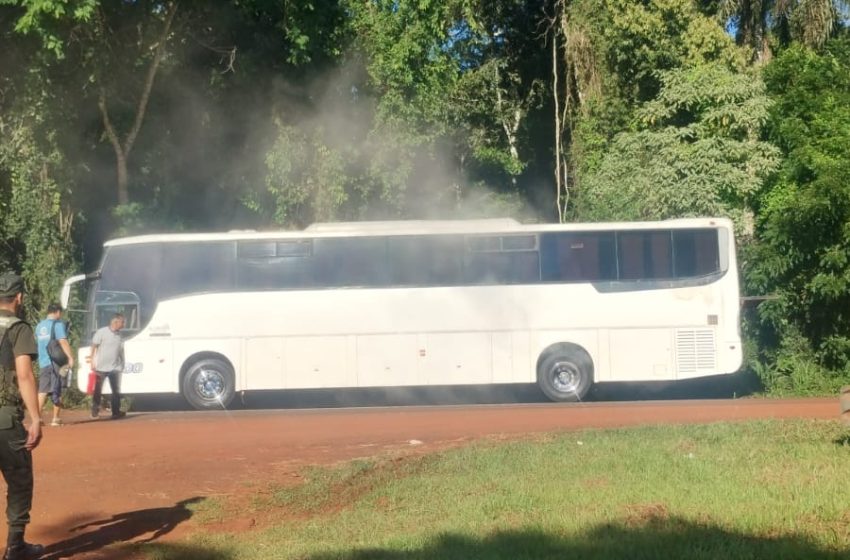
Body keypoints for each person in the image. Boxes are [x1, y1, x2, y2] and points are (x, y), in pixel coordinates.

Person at [0, 273, 44, 560]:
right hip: (5, 419)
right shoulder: (18, 328)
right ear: (19, 298)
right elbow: (25, 375)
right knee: (19, 480)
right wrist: (36, 418)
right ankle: (15, 548)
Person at [35, 304, 74, 427]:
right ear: (57, 312)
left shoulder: (39, 326)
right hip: (55, 362)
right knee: (57, 388)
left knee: (42, 390)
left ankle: (38, 418)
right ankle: (55, 418)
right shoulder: (57, 325)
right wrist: (70, 357)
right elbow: (63, 341)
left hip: (43, 361)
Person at [89, 313, 126, 420]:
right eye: (122, 322)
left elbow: (121, 350)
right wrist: (92, 360)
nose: (123, 324)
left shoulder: (119, 335)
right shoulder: (102, 332)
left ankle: (115, 412)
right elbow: (94, 346)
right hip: (101, 368)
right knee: (98, 390)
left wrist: (123, 362)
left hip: (115, 367)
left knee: (116, 391)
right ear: (115, 322)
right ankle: (94, 412)